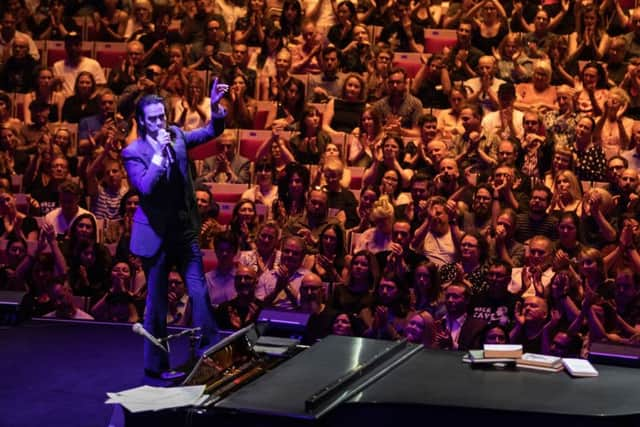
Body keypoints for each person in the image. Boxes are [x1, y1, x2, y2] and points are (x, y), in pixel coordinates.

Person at [121, 77, 228, 377]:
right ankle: (156, 366)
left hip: (183, 233)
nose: (160, 123)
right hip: (155, 237)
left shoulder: (178, 136)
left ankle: (209, 355)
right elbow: (145, 187)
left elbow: (211, 131)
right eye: (153, 119)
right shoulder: (133, 152)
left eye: (163, 116)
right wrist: (157, 156)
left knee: (199, 292)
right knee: (156, 305)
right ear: (142, 121)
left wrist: (216, 108)